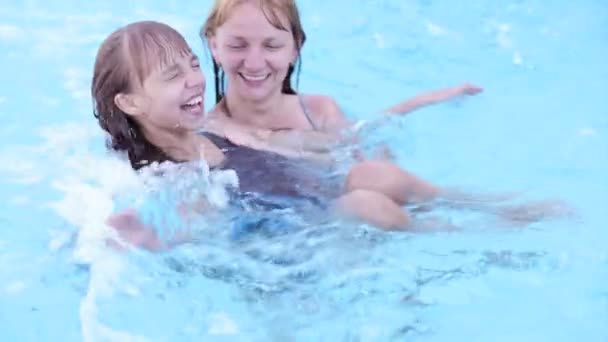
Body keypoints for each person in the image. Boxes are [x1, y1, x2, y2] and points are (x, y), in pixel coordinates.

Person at [92, 21, 448, 251]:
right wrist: (135, 236)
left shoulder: (211, 127)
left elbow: (290, 145)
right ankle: (455, 239)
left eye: (194, 64)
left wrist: (399, 113)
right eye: (173, 75)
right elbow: (188, 228)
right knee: (367, 204)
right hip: (290, 242)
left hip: (310, 200)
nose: (195, 80)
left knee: (371, 174)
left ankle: (478, 208)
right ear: (130, 102)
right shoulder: (157, 174)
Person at [200, 0, 483, 155]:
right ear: (214, 46)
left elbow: (361, 139)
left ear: (295, 48)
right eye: (237, 45)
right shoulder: (206, 131)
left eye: (272, 46)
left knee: (372, 188)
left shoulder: (318, 111)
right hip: (260, 238)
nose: (254, 62)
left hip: (332, 220)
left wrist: (429, 99)